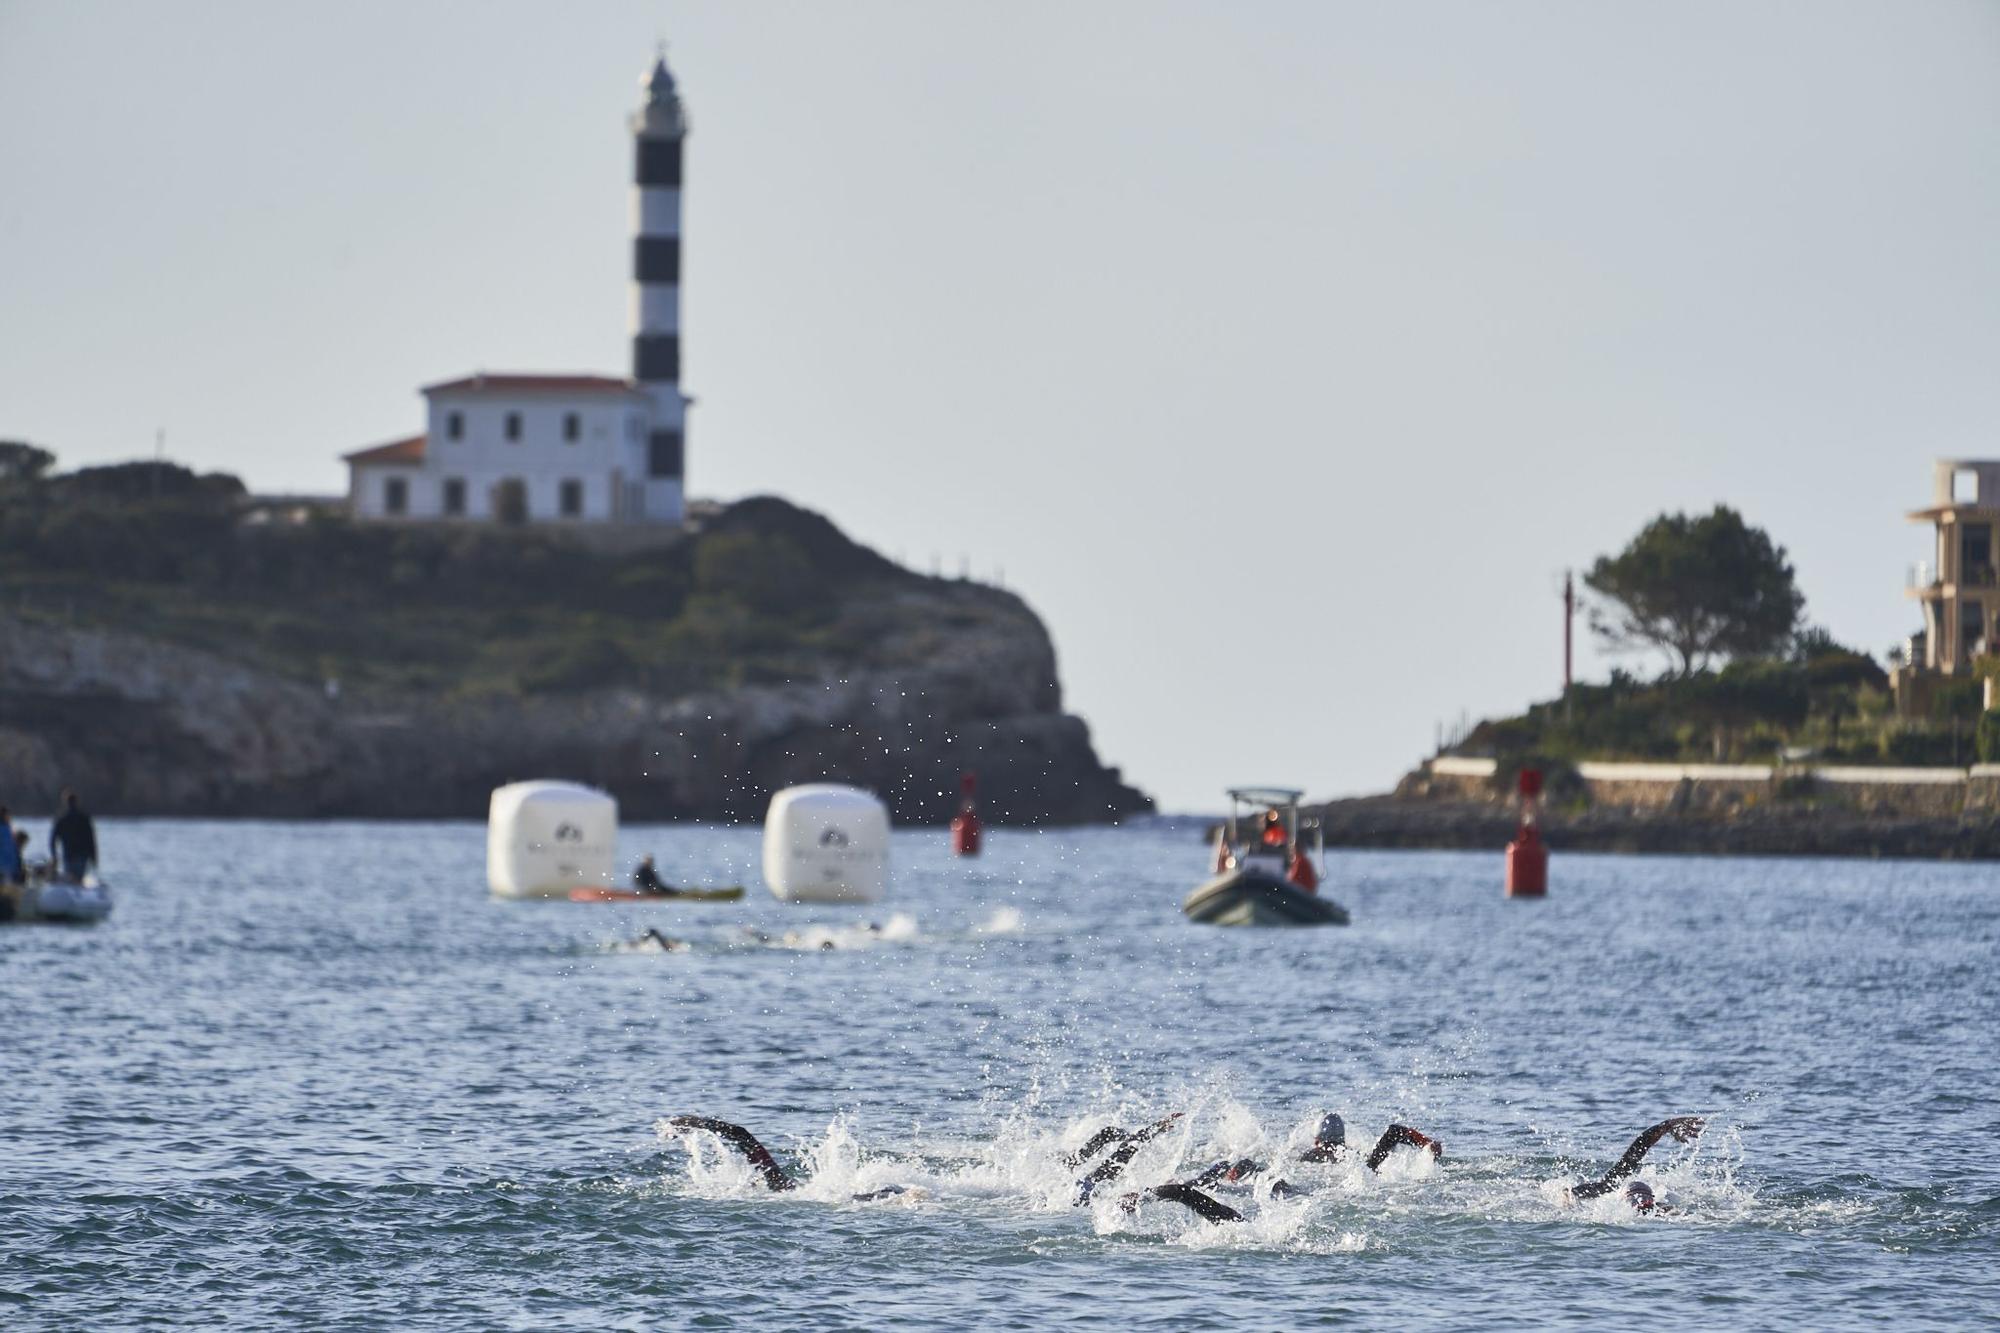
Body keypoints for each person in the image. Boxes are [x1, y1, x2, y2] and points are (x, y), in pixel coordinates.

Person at [1563, 1116, 1704, 1212]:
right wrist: (1667, 1125)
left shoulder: (1608, 1190)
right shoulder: (1665, 1201)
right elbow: (1638, 1148)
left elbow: (1637, 1149)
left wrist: (1667, 1125)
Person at [50, 789, 97, 883]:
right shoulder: (84, 818)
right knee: (79, 880)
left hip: (68, 856)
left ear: (65, 802)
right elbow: (91, 839)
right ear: (76, 802)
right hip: (82, 856)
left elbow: (53, 839)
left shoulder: (61, 819)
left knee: (70, 881)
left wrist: (54, 856)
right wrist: (94, 857)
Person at [0, 806, 22, 885]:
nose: (9, 817)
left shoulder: (9, 829)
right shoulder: (3, 829)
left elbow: (14, 848)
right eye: (7, 815)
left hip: (11, 867)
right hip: (3, 867)